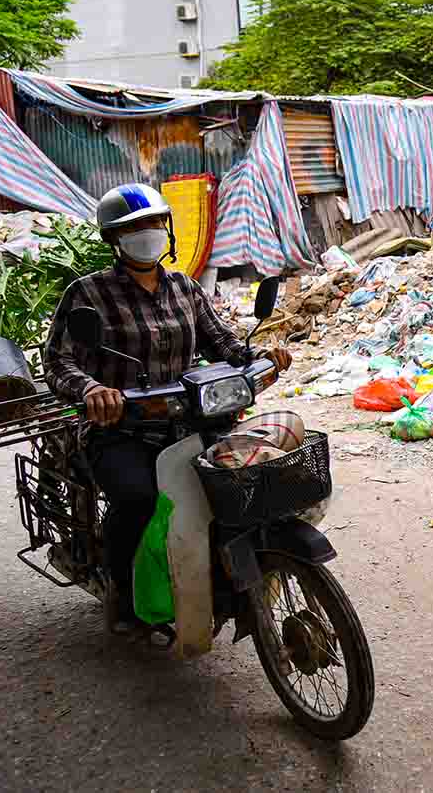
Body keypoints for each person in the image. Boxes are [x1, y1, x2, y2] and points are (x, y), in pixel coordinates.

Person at [44, 183, 292, 632]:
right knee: (139, 500)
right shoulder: (88, 293)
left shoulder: (185, 287)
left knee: (247, 481)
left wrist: (260, 357)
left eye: (155, 223)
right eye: (134, 227)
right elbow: (57, 360)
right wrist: (91, 391)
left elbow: (225, 344)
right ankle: (124, 593)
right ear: (113, 239)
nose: (148, 233)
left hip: (194, 416)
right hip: (122, 428)